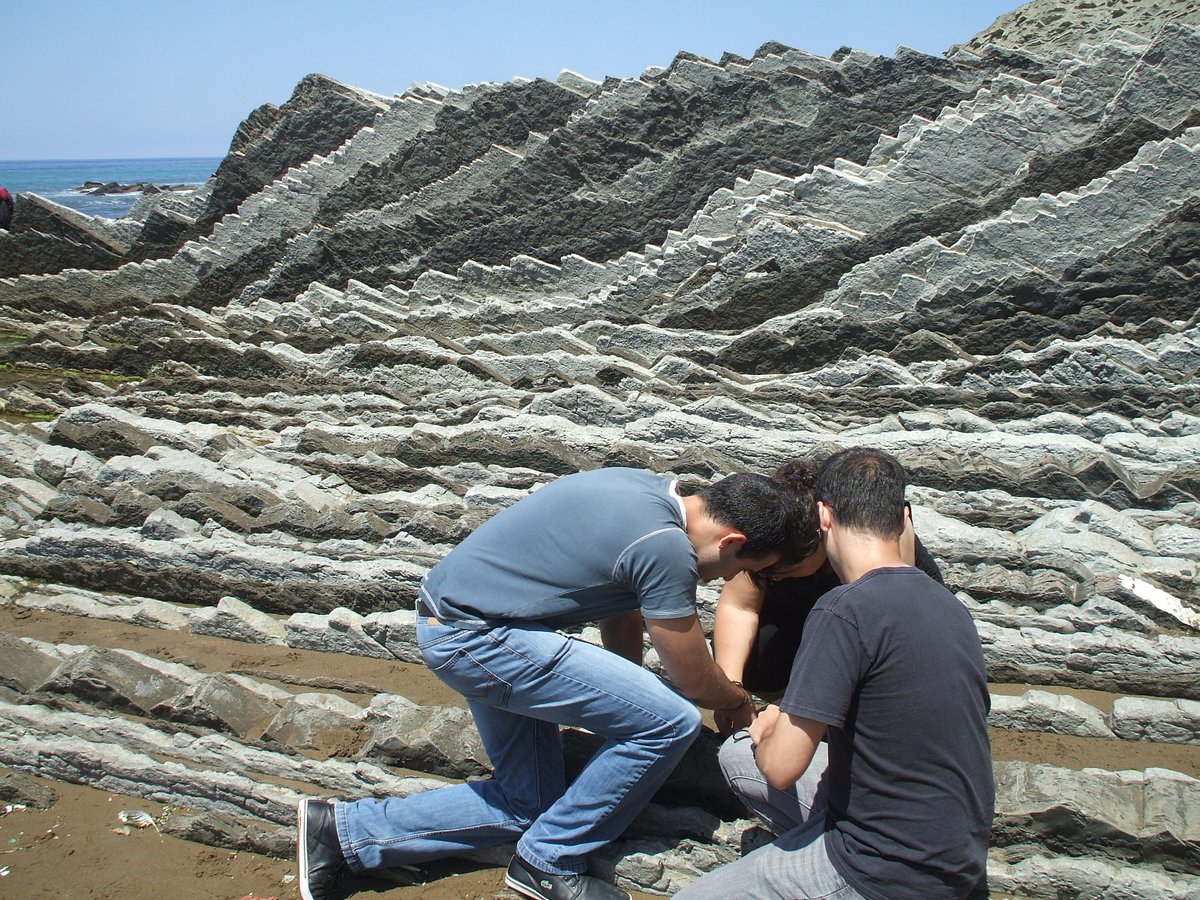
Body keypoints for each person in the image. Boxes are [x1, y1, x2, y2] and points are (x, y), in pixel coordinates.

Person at [297, 466, 805, 900]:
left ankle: (343, 833)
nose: (724, 580)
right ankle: (550, 860)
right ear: (732, 541)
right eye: (742, 567)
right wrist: (737, 700)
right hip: (480, 639)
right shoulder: (667, 548)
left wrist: (619, 705)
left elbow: (622, 608)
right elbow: (693, 680)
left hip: (460, 622)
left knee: (530, 801)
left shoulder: (645, 489)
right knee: (670, 721)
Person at [676, 447, 994, 900]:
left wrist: (770, 725)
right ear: (903, 518)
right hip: (960, 852)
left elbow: (780, 768)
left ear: (824, 516)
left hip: (883, 868)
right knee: (736, 757)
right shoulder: (950, 608)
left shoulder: (843, 611)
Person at [712, 459, 944, 732]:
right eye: (766, 571)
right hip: (799, 615)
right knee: (754, 656)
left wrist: (797, 710)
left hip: (889, 624)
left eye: (783, 569)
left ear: (822, 538)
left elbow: (883, 630)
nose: (774, 575)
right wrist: (731, 694)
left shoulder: (864, 540)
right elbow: (739, 607)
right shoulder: (770, 526)